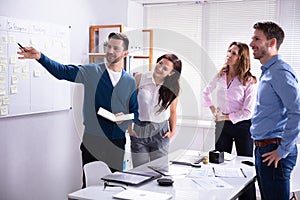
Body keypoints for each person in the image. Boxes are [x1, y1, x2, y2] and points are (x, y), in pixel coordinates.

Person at [17, 32, 139, 188]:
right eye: (108, 46)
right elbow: (62, 72)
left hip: (117, 143)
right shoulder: (91, 72)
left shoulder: (129, 80)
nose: (110, 51)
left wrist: (125, 117)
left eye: (115, 48)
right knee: (90, 187)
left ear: (125, 53)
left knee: (115, 186)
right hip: (93, 141)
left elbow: (135, 113)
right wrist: (40, 57)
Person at [250, 21, 300, 200]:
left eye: (257, 39)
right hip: (263, 148)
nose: (251, 44)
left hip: (274, 150)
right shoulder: (268, 72)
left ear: (271, 43)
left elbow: (297, 112)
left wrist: (282, 151)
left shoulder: (280, 72)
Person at [203, 41, 257, 199]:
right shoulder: (220, 75)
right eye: (229, 51)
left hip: (243, 126)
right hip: (222, 126)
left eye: (234, 53)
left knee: (245, 167)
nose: (229, 55)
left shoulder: (249, 80)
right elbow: (206, 92)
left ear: (241, 58)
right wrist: (214, 111)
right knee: (219, 164)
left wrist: (225, 116)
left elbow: (248, 111)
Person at [128, 54, 182, 168]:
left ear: (171, 73)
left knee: (159, 171)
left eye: (165, 68)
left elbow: (173, 111)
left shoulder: (173, 87)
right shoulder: (139, 78)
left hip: (160, 132)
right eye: (160, 63)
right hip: (140, 129)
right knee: (139, 171)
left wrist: (172, 131)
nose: (160, 67)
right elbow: (128, 104)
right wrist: (129, 129)